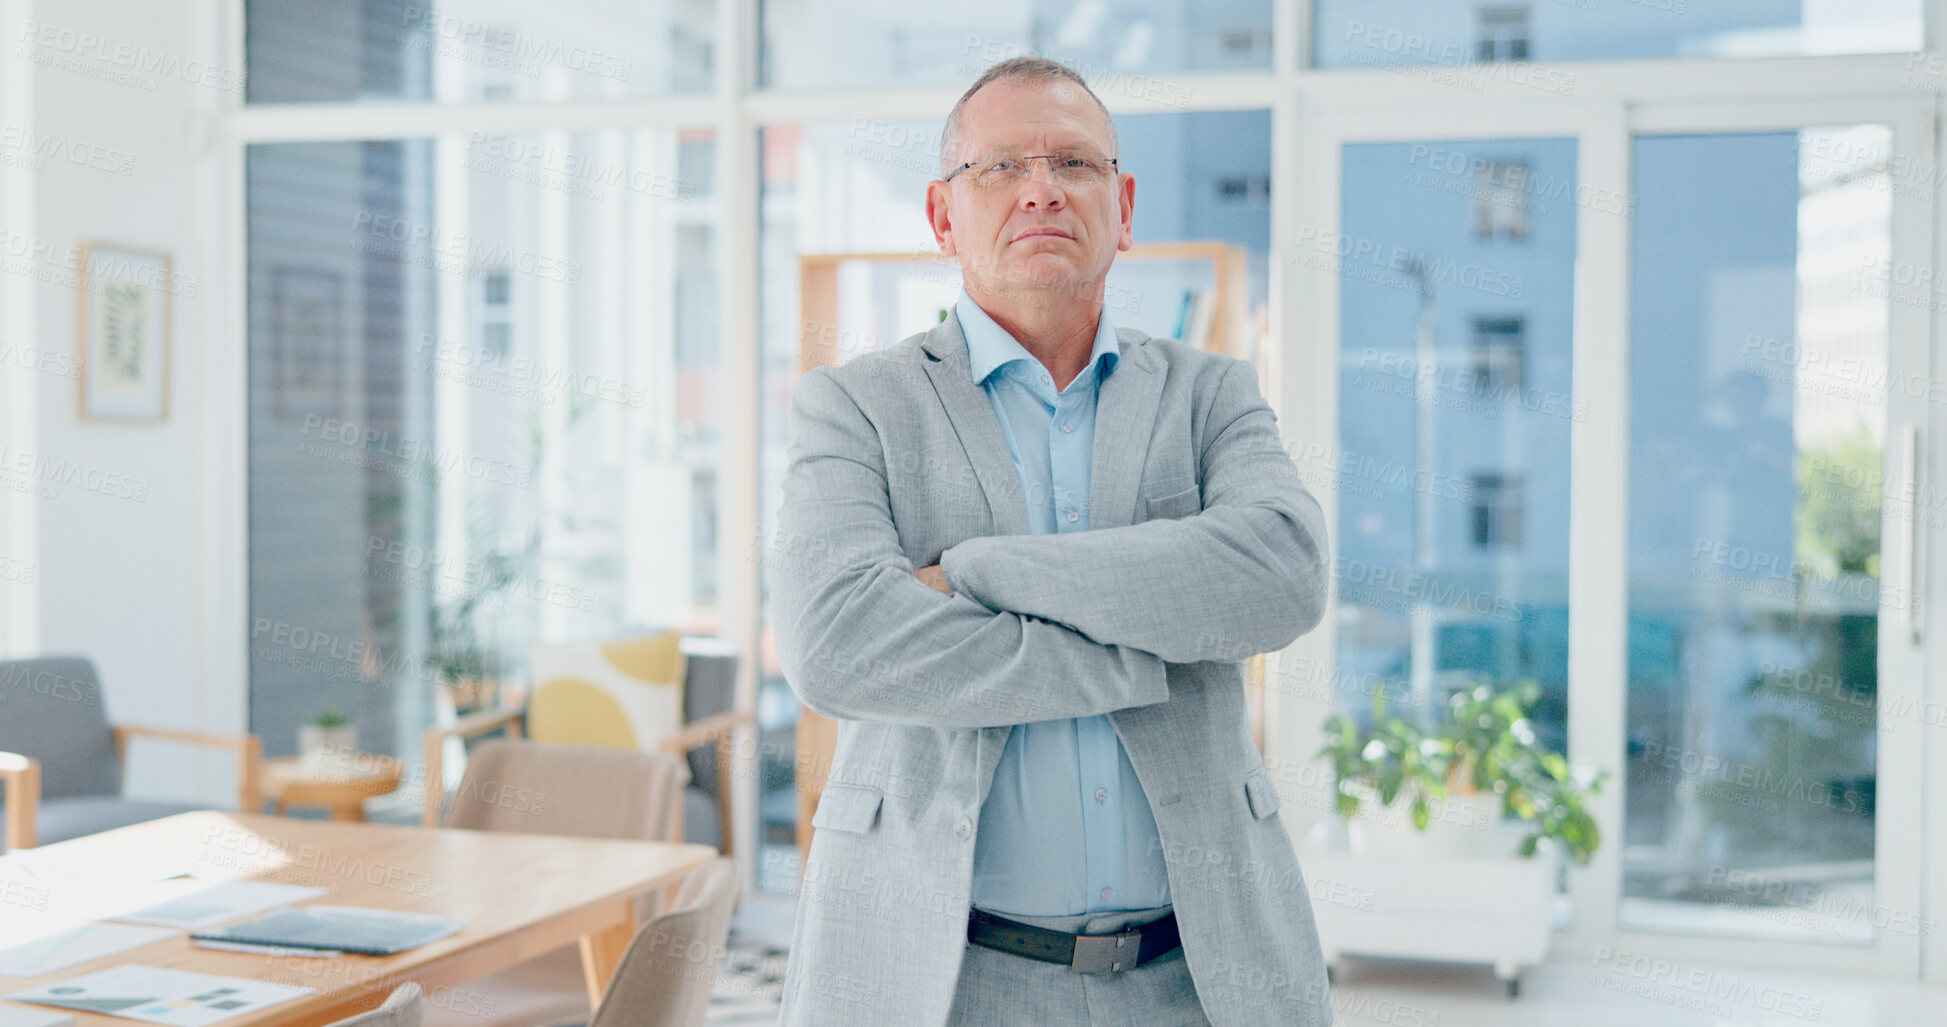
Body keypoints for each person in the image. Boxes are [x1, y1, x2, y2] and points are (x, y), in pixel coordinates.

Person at [768, 56, 1334, 1027]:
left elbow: (1280, 578)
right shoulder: (856, 405)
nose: (1040, 189)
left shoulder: (1211, 393)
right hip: (941, 973)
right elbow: (839, 647)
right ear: (943, 216)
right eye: (1000, 168)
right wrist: (1153, 641)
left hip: (1198, 969)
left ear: (1123, 204)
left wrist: (981, 571)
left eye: (1073, 163)